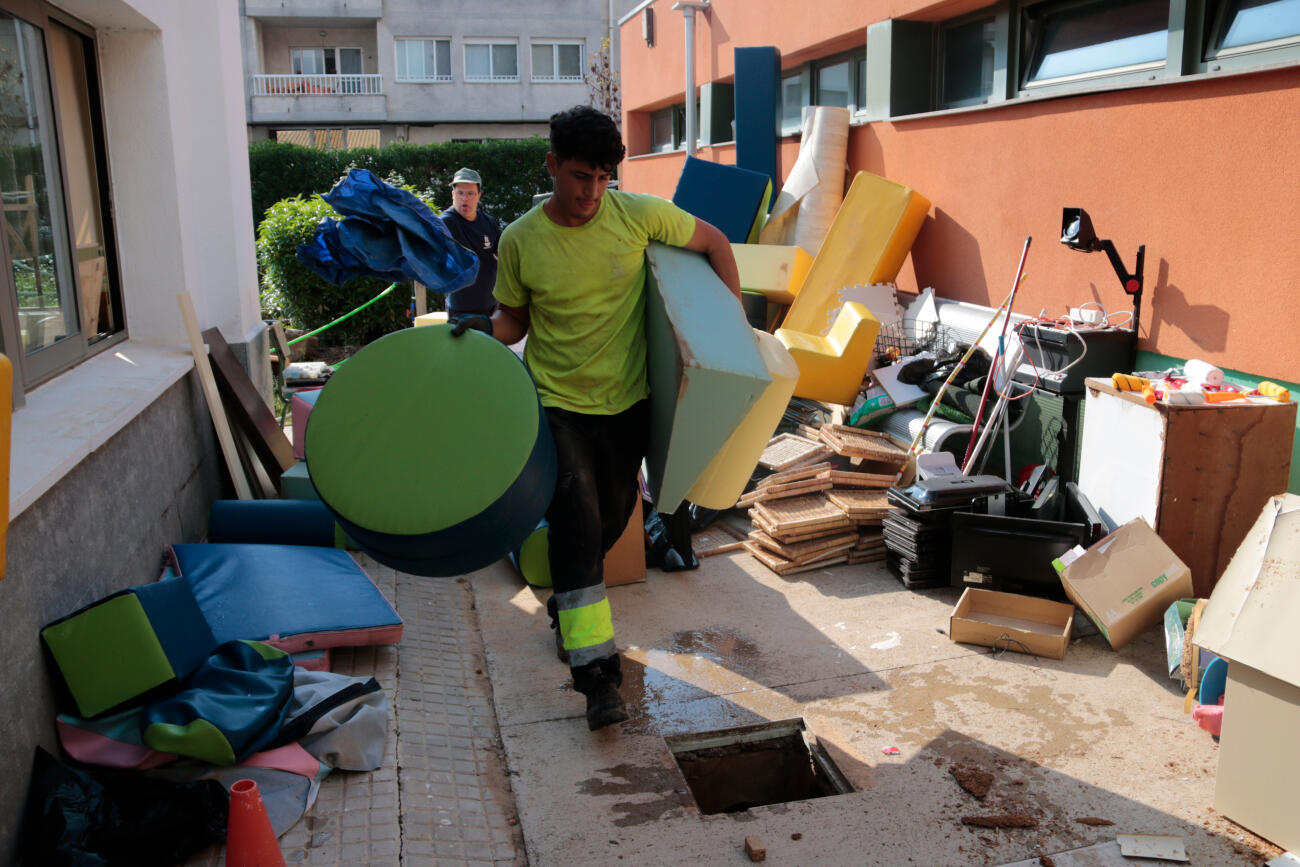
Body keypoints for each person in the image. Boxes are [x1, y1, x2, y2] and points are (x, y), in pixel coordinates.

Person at [451, 105, 740, 730]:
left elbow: (715, 242)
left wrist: (731, 329)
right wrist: (483, 330)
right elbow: (516, 321)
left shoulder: (636, 215)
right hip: (558, 407)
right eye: (581, 176)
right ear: (553, 165)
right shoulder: (522, 239)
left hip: (628, 403)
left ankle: (568, 605)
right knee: (579, 525)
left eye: (604, 177)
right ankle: (597, 677)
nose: (592, 192)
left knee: (610, 523)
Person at [439, 167, 502, 324]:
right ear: (453, 195)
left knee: (489, 349)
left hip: (491, 306)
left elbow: (503, 252)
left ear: (479, 196)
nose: (464, 199)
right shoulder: (445, 223)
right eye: (460, 193)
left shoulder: (488, 222)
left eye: (470, 193)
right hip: (460, 308)